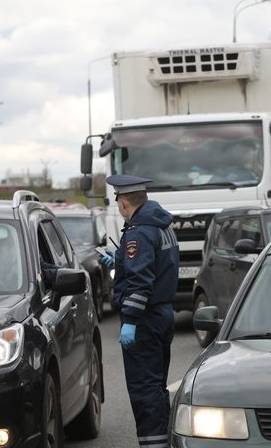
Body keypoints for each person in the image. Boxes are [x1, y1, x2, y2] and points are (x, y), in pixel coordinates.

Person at [100, 174, 179, 448]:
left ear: (123, 202)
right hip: (162, 313)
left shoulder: (139, 232)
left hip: (145, 318)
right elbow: (156, 265)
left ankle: (154, 444)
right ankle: (162, 440)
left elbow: (141, 281)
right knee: (156, 387)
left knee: (144, 390)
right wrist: (120, 261)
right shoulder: (161, 224)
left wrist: (130, 320)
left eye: (118, 200)